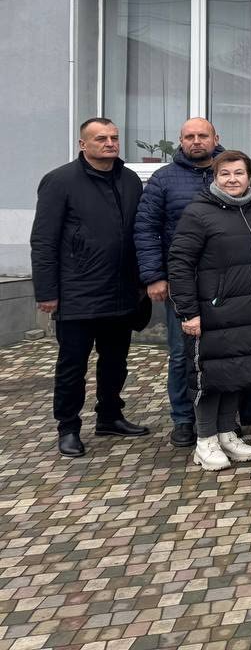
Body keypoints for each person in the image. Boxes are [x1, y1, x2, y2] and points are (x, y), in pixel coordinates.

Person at [32, 118, 150, 457]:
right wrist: (46, 291)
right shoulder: (59, 181)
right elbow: (43, 240)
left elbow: (138, 232)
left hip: (121, 290)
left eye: (114, 137)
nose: (110, 143)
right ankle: (68, 428)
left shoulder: (129, 179)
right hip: (77, 292)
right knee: (73, 365)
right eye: (101, 138)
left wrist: (142, 281)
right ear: (83, 144)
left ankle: (110, 416)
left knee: (115, 361)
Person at [167, 150, 251, 471]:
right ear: (215, 177)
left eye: (238, 173)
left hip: (247, 310)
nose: (232, 179)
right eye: (225, 174)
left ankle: (226, 432)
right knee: (209, 376)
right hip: (212, 311)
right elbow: (180, 263)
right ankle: (205, 440)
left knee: (235, 373)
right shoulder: (199, 212)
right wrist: (188, 311)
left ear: (249, 176)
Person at [133, 117, 224, 449]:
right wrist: (154, 276)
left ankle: (223, 419)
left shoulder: (230, 172)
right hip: (181, 282)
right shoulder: (164, 179)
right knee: (181, 353)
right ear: (181, 141)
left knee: (223, 352)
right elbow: (146, 229)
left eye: (202, 135)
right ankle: (184, 418)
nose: (196, 141)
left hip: (225, 283)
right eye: (189, 137)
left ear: (215, 138)